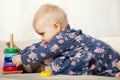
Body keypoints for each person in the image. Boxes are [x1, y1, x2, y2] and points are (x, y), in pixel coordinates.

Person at [12, 4, 120, 77]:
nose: (42, 38)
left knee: (57, 64)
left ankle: (42, 66)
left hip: (102, 56)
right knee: (52, 54)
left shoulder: (63, 38)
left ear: (56, 27)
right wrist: (25, 52)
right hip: (107, 57)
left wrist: (24, 58)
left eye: (42, 33)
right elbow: (42, 46)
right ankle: (114, 71)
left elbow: (46, 50)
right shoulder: (63, 37)